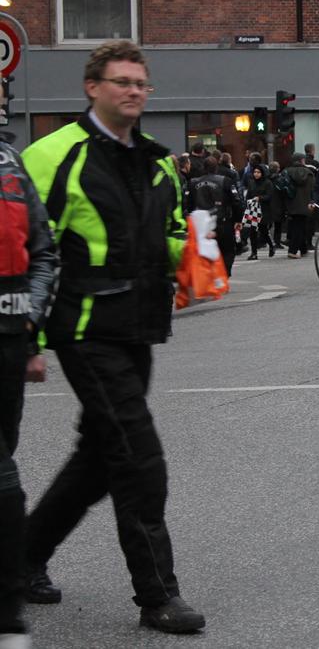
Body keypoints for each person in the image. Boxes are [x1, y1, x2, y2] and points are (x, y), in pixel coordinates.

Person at [19, 40, 206, 634]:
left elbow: (170, 233)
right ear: (92, 87)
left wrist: (196, 254)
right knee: (138, 459)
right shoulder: (52, 156)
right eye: (121, 81)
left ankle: (19, 560)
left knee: (98, 459)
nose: (133, 91)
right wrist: (23, 336)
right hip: (83, 329)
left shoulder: (157, 161)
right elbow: (22, 245)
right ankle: (158, 595)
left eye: (141, 83)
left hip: (140, 327)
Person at [0, 133, 57, 648]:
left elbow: (41, 252)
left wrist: (31, 329)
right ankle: (8, 608)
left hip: (8, 344)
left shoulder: (10, 163)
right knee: (4, 482)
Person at [189, 149, 244, 277]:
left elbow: (189, 204)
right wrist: (238, 219)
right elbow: (236, 201)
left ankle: (209, 274)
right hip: (222, 220)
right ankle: (224, 272)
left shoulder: (194, 183)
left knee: (204, 251)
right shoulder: (225, 181)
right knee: (227, 249)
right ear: (216, 167)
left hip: (201, 224)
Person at [282, 152, 316, 259]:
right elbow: (313, 189)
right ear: (302, 160)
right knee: (300, 227)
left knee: (296, 225)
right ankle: (293, 250)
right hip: (305, 203)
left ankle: (303, 248)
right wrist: (313, 201)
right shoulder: (309, 172)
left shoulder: (286, 171)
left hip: (290, 203)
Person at [244, 164, 276, 259]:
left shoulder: (267, 183)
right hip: (253, 208)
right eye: (255, 172)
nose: (256, 174)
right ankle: (254, 253)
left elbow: (269, 196)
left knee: (263, 231)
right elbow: (248, 194)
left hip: (264, 209)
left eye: (258, 172)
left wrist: (260, 198)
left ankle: (271, 245)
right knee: (252, 232)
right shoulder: (251, 182)